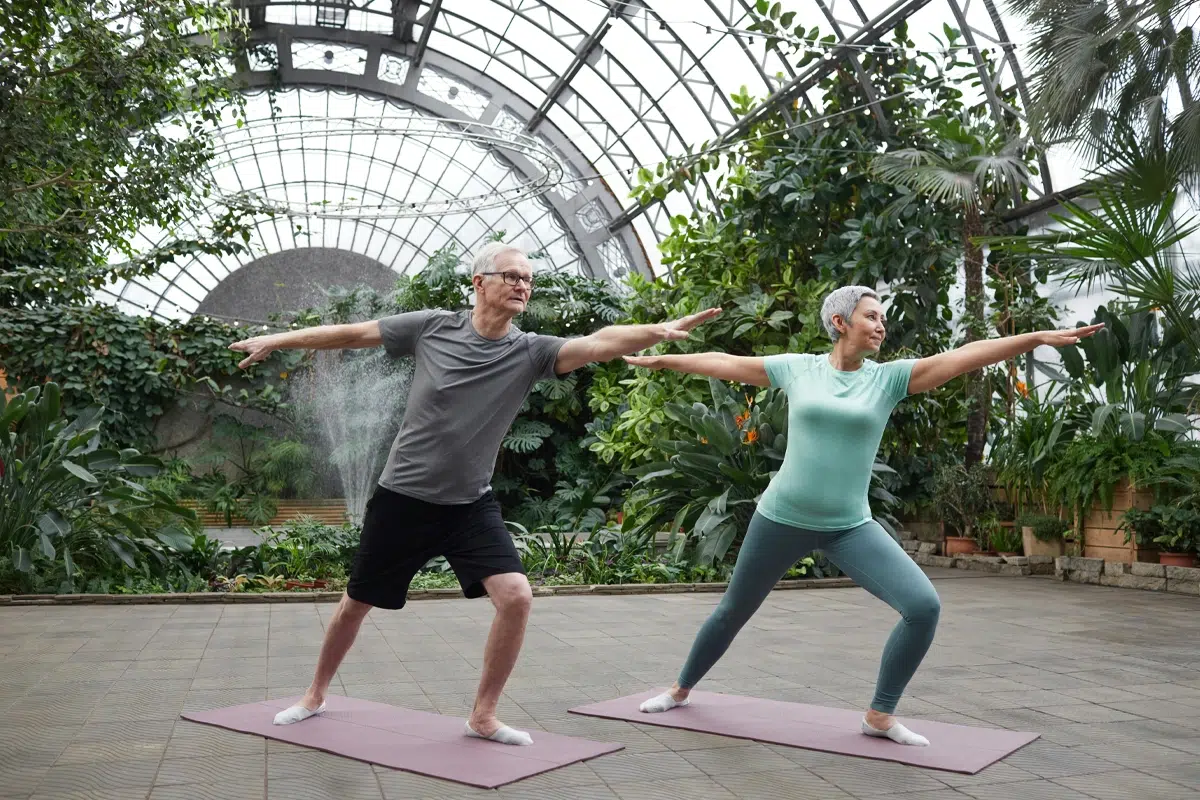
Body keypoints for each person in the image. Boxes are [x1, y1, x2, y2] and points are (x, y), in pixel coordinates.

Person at [229, 242, 720, 745]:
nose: (522, 286)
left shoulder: (531, 351)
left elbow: (597, 342)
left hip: (469, 504)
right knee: (356, 602)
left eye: (528, 280)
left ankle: (483, 716)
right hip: (403, 498)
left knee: (516, 597)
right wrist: (280, 340)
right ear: (479, 282)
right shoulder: (432, 327)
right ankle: (313, 695)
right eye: (511, 276)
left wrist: (657, 331)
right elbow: (353, 334)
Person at [626, 285, 1102, 746]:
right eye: (871, 316)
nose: (881, 325)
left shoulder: (889, 378)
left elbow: (966, 356)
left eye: (882, 318)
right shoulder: (798, 369)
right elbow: (726, 363)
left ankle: (880, 714)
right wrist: (664, 357)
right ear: (840, 323)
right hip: (780, 518)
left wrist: (1034, 338)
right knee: (733, 610)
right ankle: (680, 689)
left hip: (849, 526)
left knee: (923, 607)